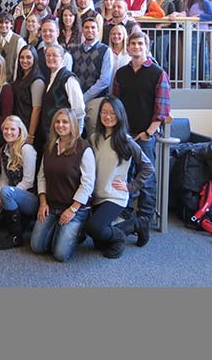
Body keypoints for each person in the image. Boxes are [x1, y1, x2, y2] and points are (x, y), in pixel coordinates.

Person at [112, 32, 171, 245]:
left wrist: (148, 132)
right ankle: (126, 213)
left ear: (146, 46)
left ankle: (145, 216)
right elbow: (115, 105)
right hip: (125, 134)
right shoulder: (121, 73)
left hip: (145, 135)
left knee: (146, 177)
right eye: (132, 43)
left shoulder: (157, 73)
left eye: (140, 43)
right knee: (125, 174)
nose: (136, 47)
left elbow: (162, 109)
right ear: (128, 47)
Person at [86, 96, 154, 258]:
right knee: (98, 242)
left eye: (112, 113)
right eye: (104, 112)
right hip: (97, 195)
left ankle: (120, 238)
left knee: (94, 228)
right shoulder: (94, 138)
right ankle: (135, 224)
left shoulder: (126, 141)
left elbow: (147, 167)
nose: (107, 116)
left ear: (119, 115)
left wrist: (130, 187)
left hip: (115, 196)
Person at [30, 108, 95, 262]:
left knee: (60, 255)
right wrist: (43, 202)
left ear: (72, 124)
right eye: (57, 122)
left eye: (65, 122)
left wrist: (72, 209)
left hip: (75, 208)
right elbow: (42, 177)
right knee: (36, 247)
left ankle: (78, 231)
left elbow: (87, 185)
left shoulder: (84, 148)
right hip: (51, 205)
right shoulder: (49, 147)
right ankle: (58, 230)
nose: (60, 125)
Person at [0, 115, 38, 249]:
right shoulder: (3, 150)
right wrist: (1, 195)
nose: (8, 132)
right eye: (6, 129)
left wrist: (5, 196)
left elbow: (28, 181)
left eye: (12, 129)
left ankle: (15, 236)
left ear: (20, 131)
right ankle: (20, 220)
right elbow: (3, 178)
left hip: (30, 197)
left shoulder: (26, 149)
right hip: (9, 194)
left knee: (7, 192)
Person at [71, 17, 114, 137]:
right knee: (74, 135)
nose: (90, 30)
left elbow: (104, 80)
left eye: (93, 27)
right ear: (82, 30)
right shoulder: (74, 50)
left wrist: (84, 97)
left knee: (93, 135)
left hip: (96, 99)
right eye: (86, 27)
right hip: (76, 99)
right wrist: (78, 97)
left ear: (98, 30)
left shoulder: (105, 51)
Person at [41, 44, 85, 138]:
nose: (50, 58)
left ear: (62, 58)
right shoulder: (51, 77)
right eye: (48, 55)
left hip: (64, 134)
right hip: (51, 133)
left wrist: (75, 136)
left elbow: (79, 109)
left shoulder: (68, 79)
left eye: (54, 55)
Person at [178, 0, 212, 84]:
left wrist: (199, 17)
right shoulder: (188, 2)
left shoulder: (205, 2)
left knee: (201, 55)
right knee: (191, 55)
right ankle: (192, 80)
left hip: (201, 31)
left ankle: (202, 80)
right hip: (191, 31)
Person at [12, 45, 46, 150]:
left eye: (28, 57)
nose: (24, 60)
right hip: (18, 127)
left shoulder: (37, 81)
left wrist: (30, 135)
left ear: (35, 59)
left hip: (28, 130)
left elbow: (37, 109)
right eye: (22, 57)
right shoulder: (21, 77)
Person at [0, 12, 26, 82]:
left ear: (11, 24)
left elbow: (19, 66)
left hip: (13, 82)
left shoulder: (19, 41)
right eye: (1, 22)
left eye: (6, 23)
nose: (3, 25)